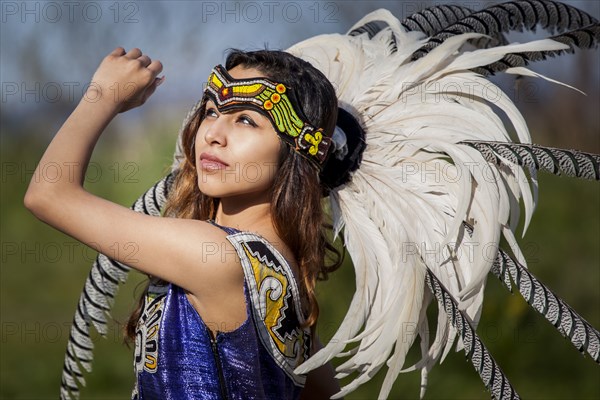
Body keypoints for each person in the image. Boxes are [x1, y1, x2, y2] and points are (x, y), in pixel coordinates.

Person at [24, 47, 345, 399]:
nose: (213, 134)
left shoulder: (215, 255)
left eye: (246, 120)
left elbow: (48, 194)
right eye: (211, 111)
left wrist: (103, 95)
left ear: (296, 150)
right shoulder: (287, 276)